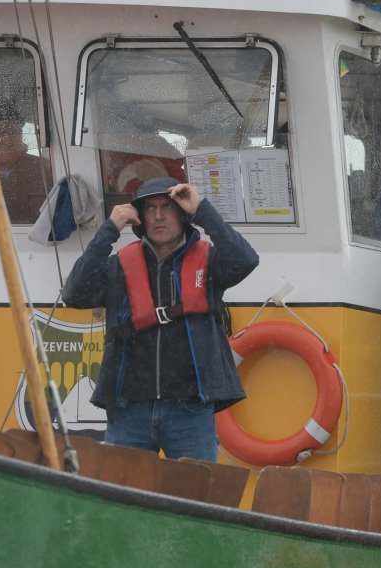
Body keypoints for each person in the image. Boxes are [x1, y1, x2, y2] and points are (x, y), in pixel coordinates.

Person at [62, 178, 259, 460]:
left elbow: (246, 260)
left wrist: (202, 209)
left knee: (195, 499)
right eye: (150, 208)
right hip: (129, 412)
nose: (158, 215)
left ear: (182, 214)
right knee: (123, 502)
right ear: (139, 218)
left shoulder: (211, 261)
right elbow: (74, 294)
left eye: (167, 207)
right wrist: (109, 230)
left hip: (190, 412)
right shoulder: (118, 266)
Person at [0, 112, 52, 224]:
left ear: (21, 135)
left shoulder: (45, 168)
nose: (7, 138)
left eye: (13, 131)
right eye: (0, 132)